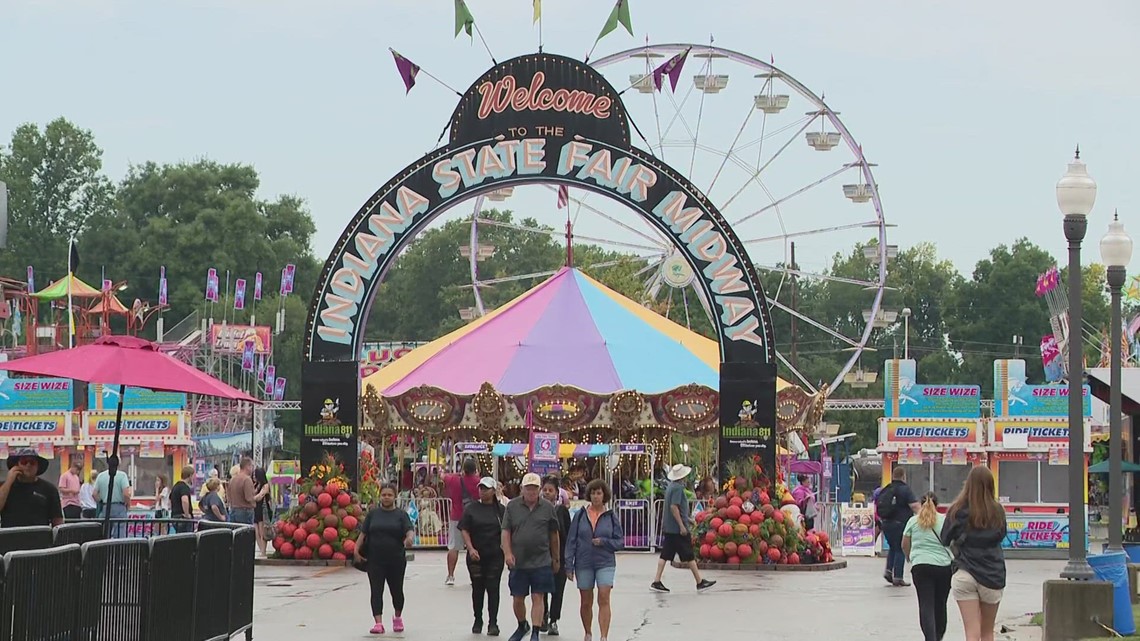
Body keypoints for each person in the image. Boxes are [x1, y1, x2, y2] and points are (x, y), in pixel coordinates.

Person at [940, 466, 1007, 641]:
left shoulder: (956, 510)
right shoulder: (997, 511)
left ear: (968, 484)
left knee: (971, 632)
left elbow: (944, 539)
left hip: (965, 573)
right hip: (992, 574)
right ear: (991, 485)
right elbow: (1001, 535)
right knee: (986, 632)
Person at [501, 472, 560, 641]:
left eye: (535, 489)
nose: (532, 492)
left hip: (541, 560)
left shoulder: (548, 508)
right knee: (518, 598)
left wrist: (556, 558)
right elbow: (506, 531)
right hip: (518, 561)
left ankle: (535, 631)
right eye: (528, 489)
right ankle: (522, 625)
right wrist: (507, 553)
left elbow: (554, 534)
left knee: (538, 596)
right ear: (522, 489)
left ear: (539, 489)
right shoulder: (512, 507)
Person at [566, 478, 624, 641]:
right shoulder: (580, 515)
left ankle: (604, 636)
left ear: (604, 495)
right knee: (586, 600)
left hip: (605, 562)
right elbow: (571, 540)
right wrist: (568, 565)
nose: (596, 496)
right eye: (593, 493)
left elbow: (620, 542)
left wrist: (604, 542)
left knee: (604, 596)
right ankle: (588, 632)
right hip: (584, 562)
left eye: (599, 493)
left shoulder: (611, 516)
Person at [355, 483, 414, 635]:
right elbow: (363, 534)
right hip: (375, 560)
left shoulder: (401, 515)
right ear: (380, 496)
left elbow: (409, 531)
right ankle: (378, 623)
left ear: (395, 497)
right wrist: (356, 550)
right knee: (376, 591)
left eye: (389, 495)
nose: (386, 497)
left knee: (397, 591)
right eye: (384, 495)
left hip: (396, 560)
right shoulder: (373, 514)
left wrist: (409, 539)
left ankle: (398, 616)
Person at [651, 464, 715, 593]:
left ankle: (657, 580)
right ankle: (699, 582)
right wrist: (682, 525)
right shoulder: (678, 489)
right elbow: (674, 507)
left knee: (666, 554)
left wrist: (688, 520)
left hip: (670, 527)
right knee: (688, 554)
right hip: (677, 529)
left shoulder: (670, 487)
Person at [903, 492, 953, 641]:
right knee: (941, 604)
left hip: (921, 566)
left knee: (926, 605)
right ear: (937, 505)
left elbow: (905, 543)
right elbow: (952, 542)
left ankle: (930, 639)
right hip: (943, 567)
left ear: (921, 503)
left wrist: (910, 557)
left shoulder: (913, 521)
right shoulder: (944, 521)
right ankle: (938, 636)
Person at [460, 476, 507, 636]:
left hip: (495, 555)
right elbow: (464, 529)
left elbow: (508, 530)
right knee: (477, 588)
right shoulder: (471, 509)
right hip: (476, 555)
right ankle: (477, 619)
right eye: (480, 488)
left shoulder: (501, 510)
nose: (482, 491)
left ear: (493, 491)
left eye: (486, 488)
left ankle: (493, 622)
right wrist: (471, 548)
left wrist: (507, 550)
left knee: (493, 588)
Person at [877, 466, 921, 586]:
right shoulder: (904, 489)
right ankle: (898, 577)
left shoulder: (886, 489)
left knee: (893, 547)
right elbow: (915, 506)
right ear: (903, 476)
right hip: (900, 524)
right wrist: (924, 517)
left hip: (886, 523)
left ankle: (888, 570)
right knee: (900, 549)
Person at [540, 476, 571, 636]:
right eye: (544, 490)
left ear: (557, 493)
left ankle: (554, 620)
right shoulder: (537, 510)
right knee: (541, 589)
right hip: (541, 557)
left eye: (550, 490)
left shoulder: (561, 511)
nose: (546, 493)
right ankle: (543, 615)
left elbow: (569, 534)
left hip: (560, 556)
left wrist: (567, 558)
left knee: (558, 590)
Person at [0, 448, 63, 527]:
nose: (28, 465)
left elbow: (57, 520)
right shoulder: (4, 487)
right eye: (24, 462)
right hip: (10, 537)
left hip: (39, 537)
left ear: (37, 467)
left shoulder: (49, 489)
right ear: (16, 466)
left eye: (32, 462)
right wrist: (8, 481)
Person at [445, 457, 482, 586]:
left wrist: (457, 474)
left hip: (456, 517)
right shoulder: (478, 482)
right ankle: (476, 575)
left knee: (454, 547)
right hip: (474, 517)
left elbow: (443, 476)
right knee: (474, 547)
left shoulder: (454, 480)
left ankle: (450, 575)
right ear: (475, 470)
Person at [227, 458, 268, 525]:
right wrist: (261, 494)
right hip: (245, 512)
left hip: (233, 510)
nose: (252, 469)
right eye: (252, 466)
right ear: (247, 467)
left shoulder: (232, 480)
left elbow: (231, 496)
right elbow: (249, 498)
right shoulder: (247, 479)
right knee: (245, 534)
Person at [254, 468, 273, 556]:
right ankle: (261, 548)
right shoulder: (255, 485)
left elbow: (260, 496)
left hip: (263, 509)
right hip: (255, 508)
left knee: (262, 531)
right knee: (256, 531)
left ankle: (263, 551)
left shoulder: (265, 485)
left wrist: (251, 499)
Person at [169, 466, 195, 532]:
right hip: (183, 518)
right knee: (187, 539)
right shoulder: (184, 487)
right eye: (193, 476)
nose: (193, 478)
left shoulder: (175, 486)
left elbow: (169, 500)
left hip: (174, 516)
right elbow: (185, 500)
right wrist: (187, 514)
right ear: (190, 475)